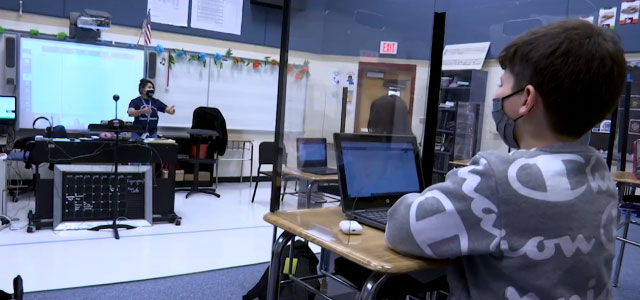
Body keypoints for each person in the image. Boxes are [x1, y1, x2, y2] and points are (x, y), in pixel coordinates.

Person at [385, 19, 627, 299]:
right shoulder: (600, 176)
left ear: (526, 99)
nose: (497, 95)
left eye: (502, 85)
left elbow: (401, 229)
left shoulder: (496, 179)